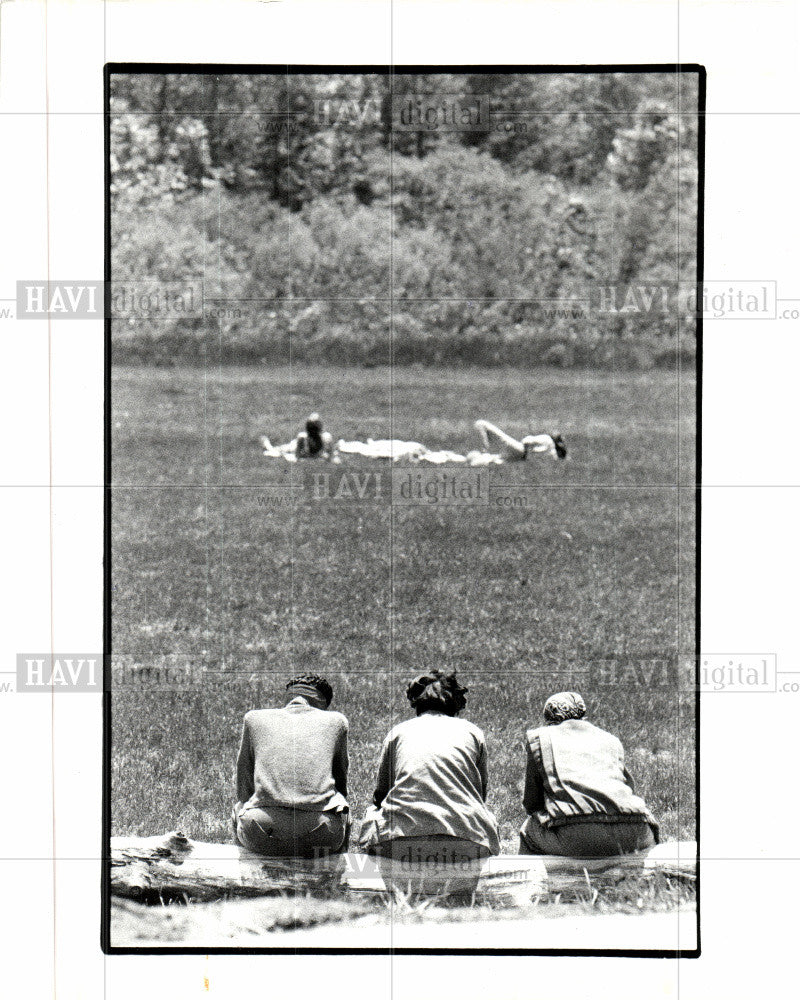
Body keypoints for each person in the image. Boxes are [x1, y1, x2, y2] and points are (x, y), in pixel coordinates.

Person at [358, 670, 500, 861]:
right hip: (467, 842)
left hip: (401, 841)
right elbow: (479, 795)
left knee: (371, 815)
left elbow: (381, 795)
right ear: (455, 703)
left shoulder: (398, 732)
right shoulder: (473, 732)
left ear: (416, 702)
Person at [519, 691, 659, 858]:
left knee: (528, 831)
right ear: (583, 715)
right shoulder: (610, 739)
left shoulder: (540, 738)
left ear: (549, 719)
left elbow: (532, 803)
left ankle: (537, 883)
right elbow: (629, 788)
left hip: (579, 835)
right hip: (638, 830)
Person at [232, 673, 350, 857]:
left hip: (261, 830)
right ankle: (336, 882)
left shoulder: (253, 718)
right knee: (344, 815)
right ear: (323, 703)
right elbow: (341, 787)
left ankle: (244, 881)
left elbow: (243, 791)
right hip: (321, 833)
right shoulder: (337, 721)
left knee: (238, 810)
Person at [472, 418, 567, 463]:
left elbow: (526, 441)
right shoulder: (554, 457)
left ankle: (483, 451)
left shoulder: (546, 438)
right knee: (496, 460)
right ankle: (477, 459)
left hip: (520, 451)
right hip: (522, 459)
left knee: (481, 423)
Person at [260, 412, 338, 462]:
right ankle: (268, 446)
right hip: (299, 447)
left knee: (283, 449)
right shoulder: (326, 437)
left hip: (299, 448)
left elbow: (297, 456)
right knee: (286, 448)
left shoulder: (304, 437)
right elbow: (331, 457)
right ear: (321, 428)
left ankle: (268, 446)